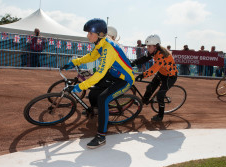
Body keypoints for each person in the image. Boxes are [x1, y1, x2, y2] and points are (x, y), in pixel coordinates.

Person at [63, 18, 135, 149]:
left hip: (124, 80)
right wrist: (74, 62)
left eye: (90, 33)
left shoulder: (108, 48)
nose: (87, 36)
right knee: (94, 91)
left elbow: (99, 74)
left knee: (103, 99)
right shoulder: (100, 44)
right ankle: (98, 111)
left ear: (100, 34)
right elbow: (91, 56)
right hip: (114, 75)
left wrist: (79, 87)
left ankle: (101, 136)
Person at [131, 34, 178, 121]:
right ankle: (144, 101)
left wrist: (142, 75)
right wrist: (133, 63)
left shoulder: (162, 55)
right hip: (162, 74)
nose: (147, 48)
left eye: (149, 46)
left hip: (170, 77)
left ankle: (160, 116)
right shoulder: (154, 52)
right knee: (149, 87)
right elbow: (144, 59)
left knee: (160, 95)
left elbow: (153, 69)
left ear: (155, 46)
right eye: (147, 46)